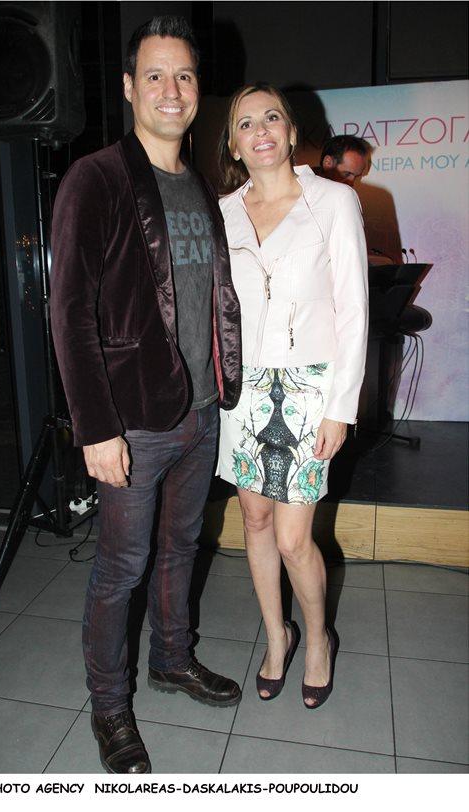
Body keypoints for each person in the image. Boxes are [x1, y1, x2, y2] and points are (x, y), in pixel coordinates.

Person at [50, 16, 242, 774]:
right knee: (120, 569)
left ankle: (171, 659)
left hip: (200, 410)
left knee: (181, 548)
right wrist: (95, 427)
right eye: (155, 75)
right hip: (131, 420)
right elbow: (69, 311)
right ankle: (109, 708)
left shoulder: (200, 185)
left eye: (184, 76)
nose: (172, 89)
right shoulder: (95, 178)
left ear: (198, 90)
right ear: (129, 87)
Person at [216, 83, 368, 708]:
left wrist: (340, 407)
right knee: (253, 519)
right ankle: (277, 637)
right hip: (243, 388)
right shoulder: (222, 212)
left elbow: (354, 309)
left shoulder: (333, 201)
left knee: (291, 538)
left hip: (308, 388)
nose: (260, 130)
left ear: (291, 131)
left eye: (271, 117)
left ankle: (317, 640)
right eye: (245, 122)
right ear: (233, 144)